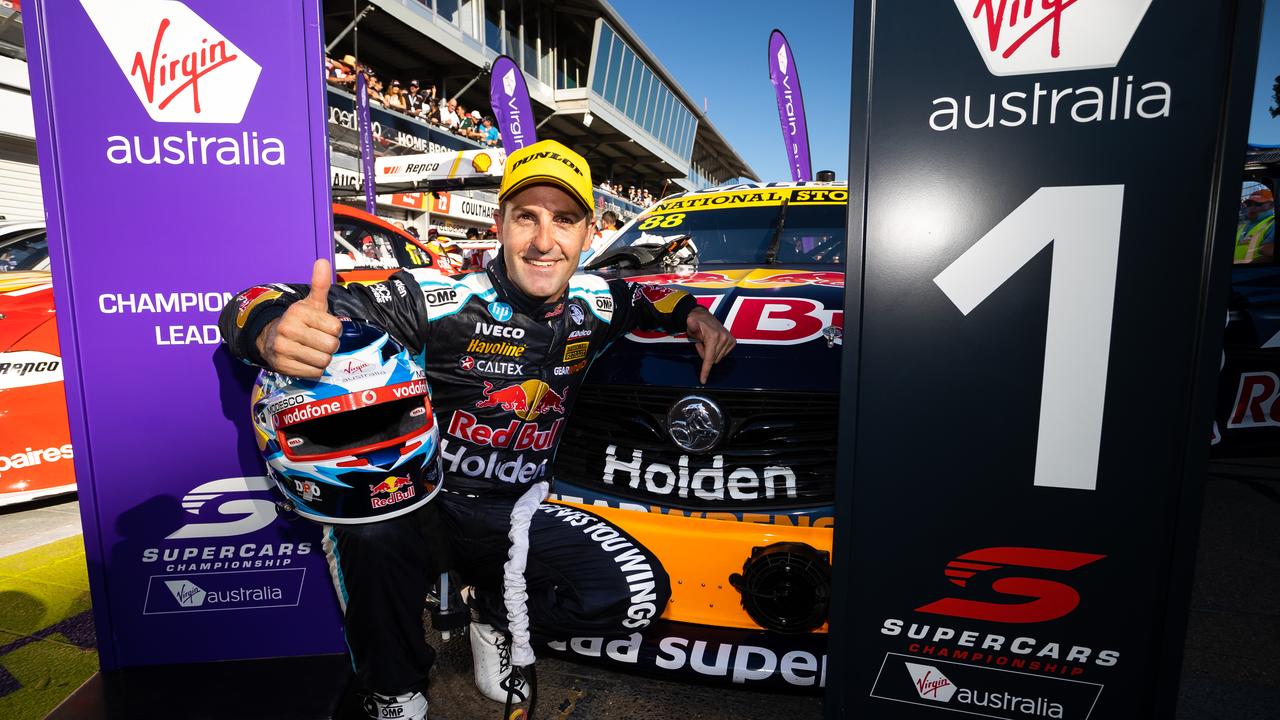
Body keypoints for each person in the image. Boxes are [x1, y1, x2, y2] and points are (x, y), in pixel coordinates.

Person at [219, 139, 735, 720]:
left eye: (564, 221)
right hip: (423, 502)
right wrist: (267, 328)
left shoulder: (601, 301)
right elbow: (262, 300)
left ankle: (493, 611)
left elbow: (650, 298)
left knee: (633, 596)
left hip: (517, 513)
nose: (544, 241)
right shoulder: (438, 299)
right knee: (364, 526)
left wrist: (694, 312)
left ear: (590, 234)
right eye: (526, 219)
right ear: (499, 225)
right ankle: (394, 688)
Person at [1236, 187, 1275, 264]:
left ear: (1272, 205)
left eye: (1258, 204)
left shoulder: (1273, 223)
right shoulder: (1243, 226)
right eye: (1249, 204)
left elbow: (1269, 255)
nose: (1252, 208)